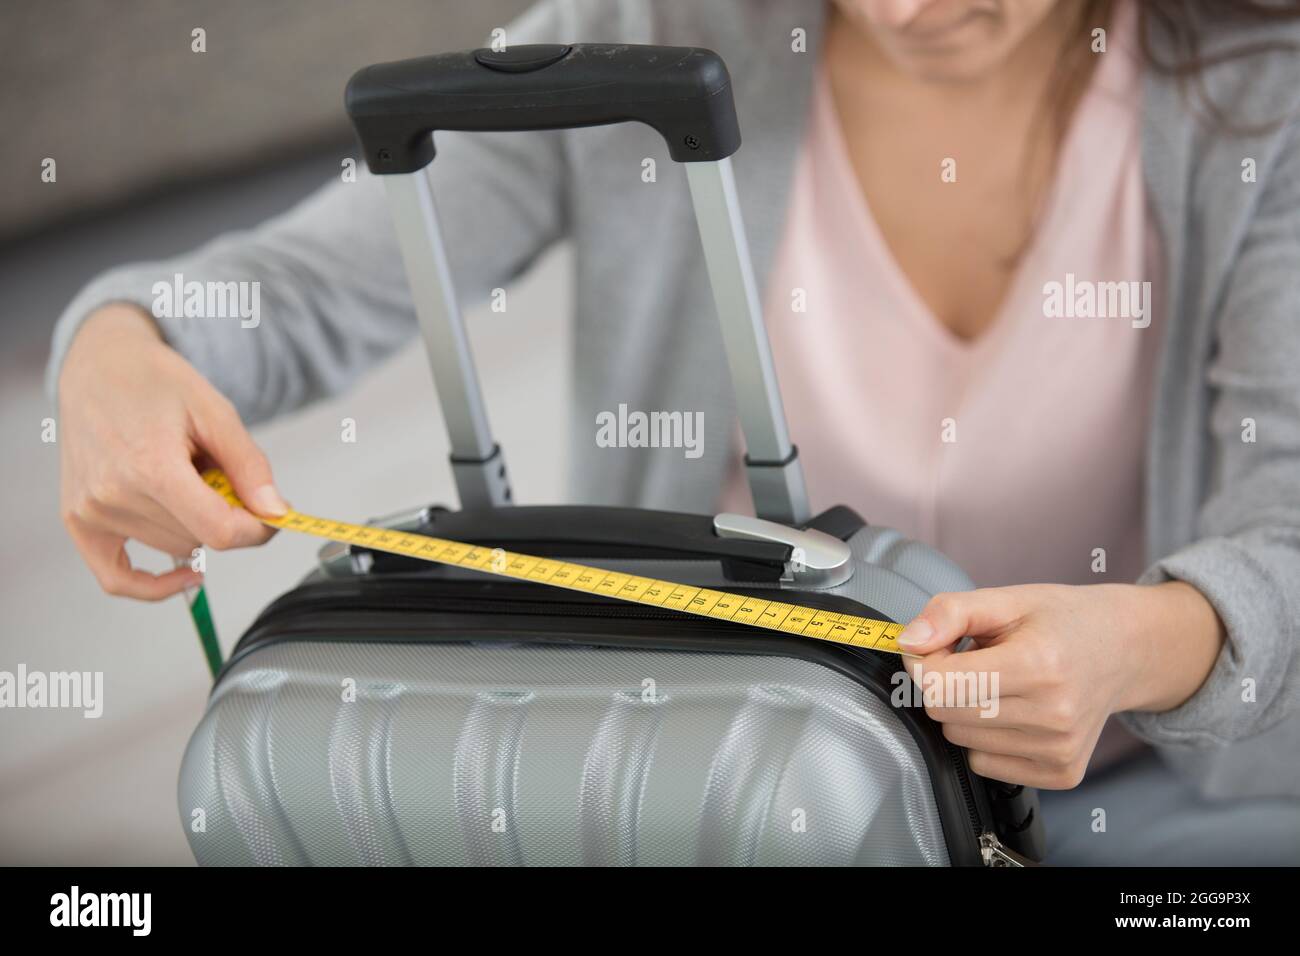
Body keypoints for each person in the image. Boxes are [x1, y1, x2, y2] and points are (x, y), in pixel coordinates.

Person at [47, 0, 1300, 864]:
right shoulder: (653, 32)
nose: (910, 12)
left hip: (1148, 802)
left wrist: (1136, 647)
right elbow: (309, 282)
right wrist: (115, 347)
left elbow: (1286, 535)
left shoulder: (1260, 104)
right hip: (699, 781)